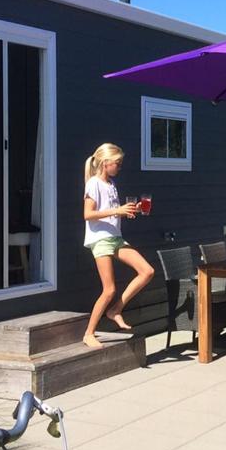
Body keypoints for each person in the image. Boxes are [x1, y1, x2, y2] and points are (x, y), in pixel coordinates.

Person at [82, 143, 155, 348]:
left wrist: (133, 210)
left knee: (147, 271)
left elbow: (114, 210)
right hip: (100, 239)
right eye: (117, 163)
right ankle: (89, 333)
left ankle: (115, 310)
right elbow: (87, 214)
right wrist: (117, 211)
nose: (120, 167)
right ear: (105, 163)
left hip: (115, 237)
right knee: (109, 289)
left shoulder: (111, 184)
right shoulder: (94, 183)